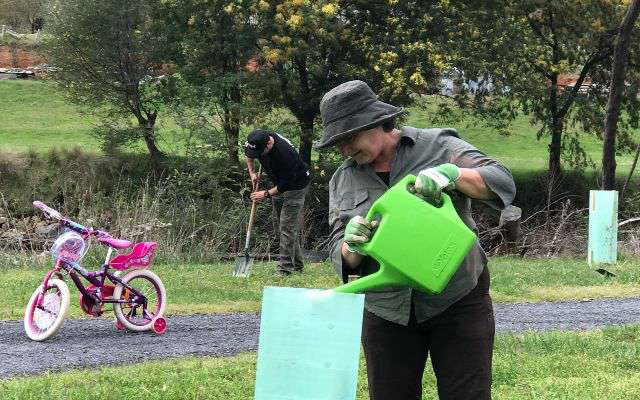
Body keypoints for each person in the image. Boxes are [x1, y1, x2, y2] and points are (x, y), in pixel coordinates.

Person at [315, 80, 516, 400]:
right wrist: (350, 245)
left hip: (457, 299)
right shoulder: (343, 179)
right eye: (336, 143)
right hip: (386, 309)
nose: (343, 149)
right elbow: (340, 252)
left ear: (374, 123)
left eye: (347, 138)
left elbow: (501, 181)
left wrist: (453, 174)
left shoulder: (438, 145)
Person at [244, 129, 311, 276]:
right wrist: (252, 172)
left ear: (269, 143)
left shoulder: (285, 153)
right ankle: (297, 265)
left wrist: (266, 194)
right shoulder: (256, 141)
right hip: (277, 182)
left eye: (261, 152)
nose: (258, 155)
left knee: (287, 227)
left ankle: (285, 269)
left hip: (295, 186)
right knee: (279, 227)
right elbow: (248, 155)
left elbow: (286, 184)